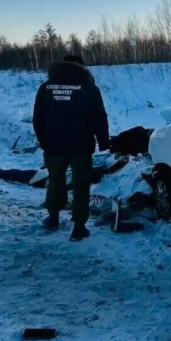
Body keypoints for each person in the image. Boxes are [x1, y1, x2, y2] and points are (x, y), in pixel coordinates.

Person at [32, 54, 109, 241]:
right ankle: (79, 227)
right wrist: (104, 142)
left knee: (56, 180)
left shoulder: (46, 88)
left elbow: (38, 119)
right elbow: (99, 117)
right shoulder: (89, 88)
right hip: (81, 145)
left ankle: (53, 218)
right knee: (81, 185)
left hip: (54, 145)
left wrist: (44, 142)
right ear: (82, 67)